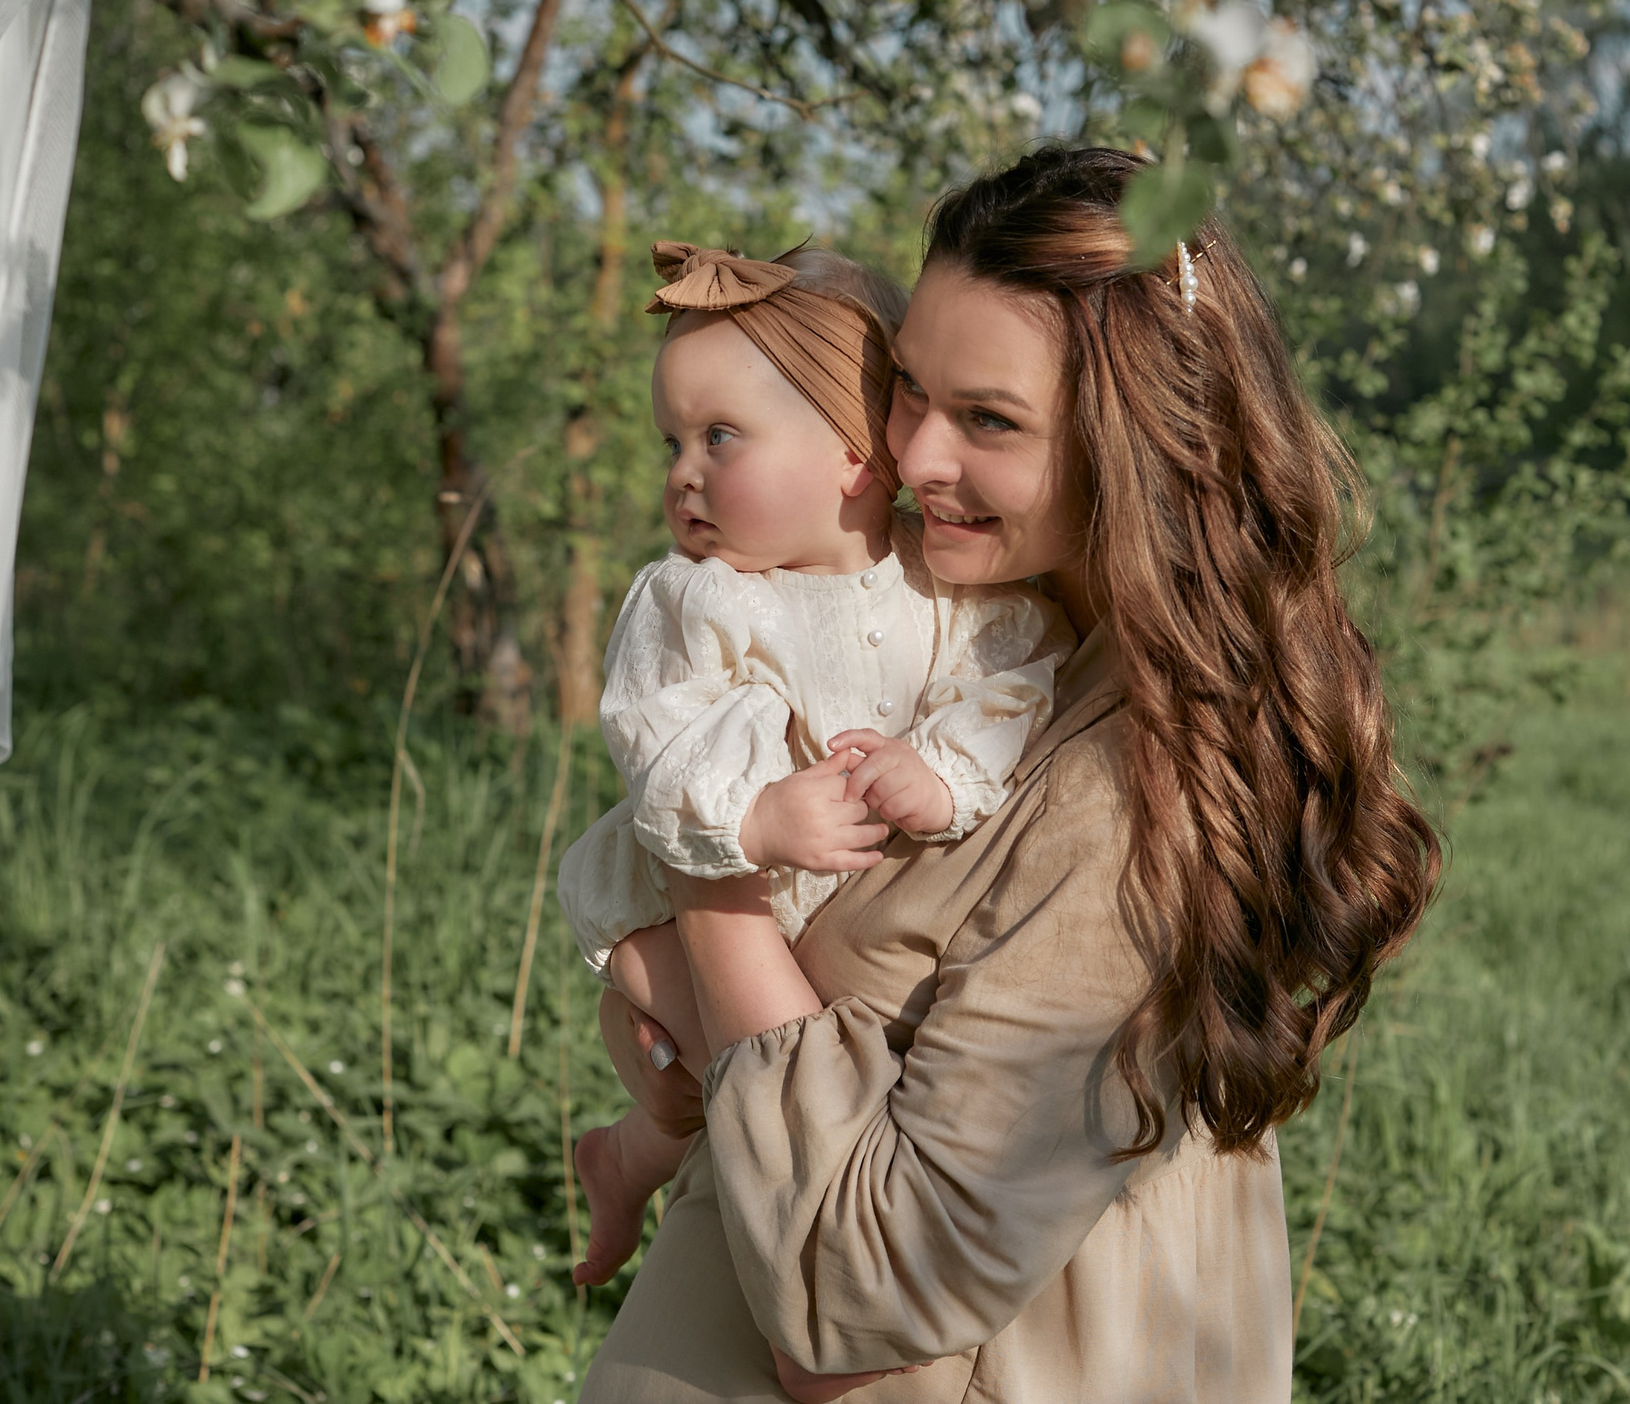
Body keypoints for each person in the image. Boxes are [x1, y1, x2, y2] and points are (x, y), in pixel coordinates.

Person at [576, 146, 1443, 1404]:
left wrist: (712, 864)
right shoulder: (977, 638)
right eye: (908, 390)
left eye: (989, 420)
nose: (913, 458)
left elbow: (854, 1308)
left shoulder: (1131, 792)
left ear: (1138, 445)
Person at [556, 239, 1073, 1291]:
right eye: (673, 442)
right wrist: (750, 824)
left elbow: (1013, 682)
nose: (682, 473)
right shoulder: (694, 599)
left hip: (830, 945)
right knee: (765, 1105)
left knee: (743, 1095)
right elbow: (657, 743)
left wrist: (941, 769)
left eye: (720, 436)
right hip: (672, 912)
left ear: (851, 449)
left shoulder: (950, 596)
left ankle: (623, 1162)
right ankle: (798, 1285)